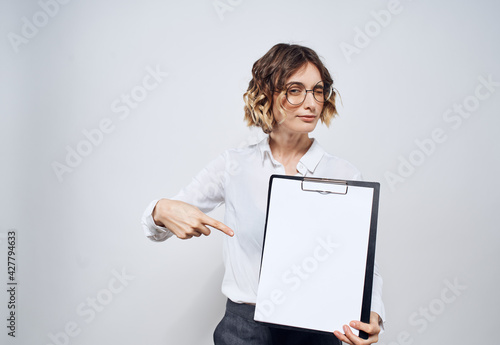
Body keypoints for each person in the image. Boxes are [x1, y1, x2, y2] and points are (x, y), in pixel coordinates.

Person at [141, 43, 385, 345]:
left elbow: (361, 261)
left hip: (317, 330)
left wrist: (373, 311)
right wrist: (160, 210)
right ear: (266, 94)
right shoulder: (233, 166)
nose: (311, 103)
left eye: (318, 91)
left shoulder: (345, 175)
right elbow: (158, 227)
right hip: (244, 330)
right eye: (295, 90)